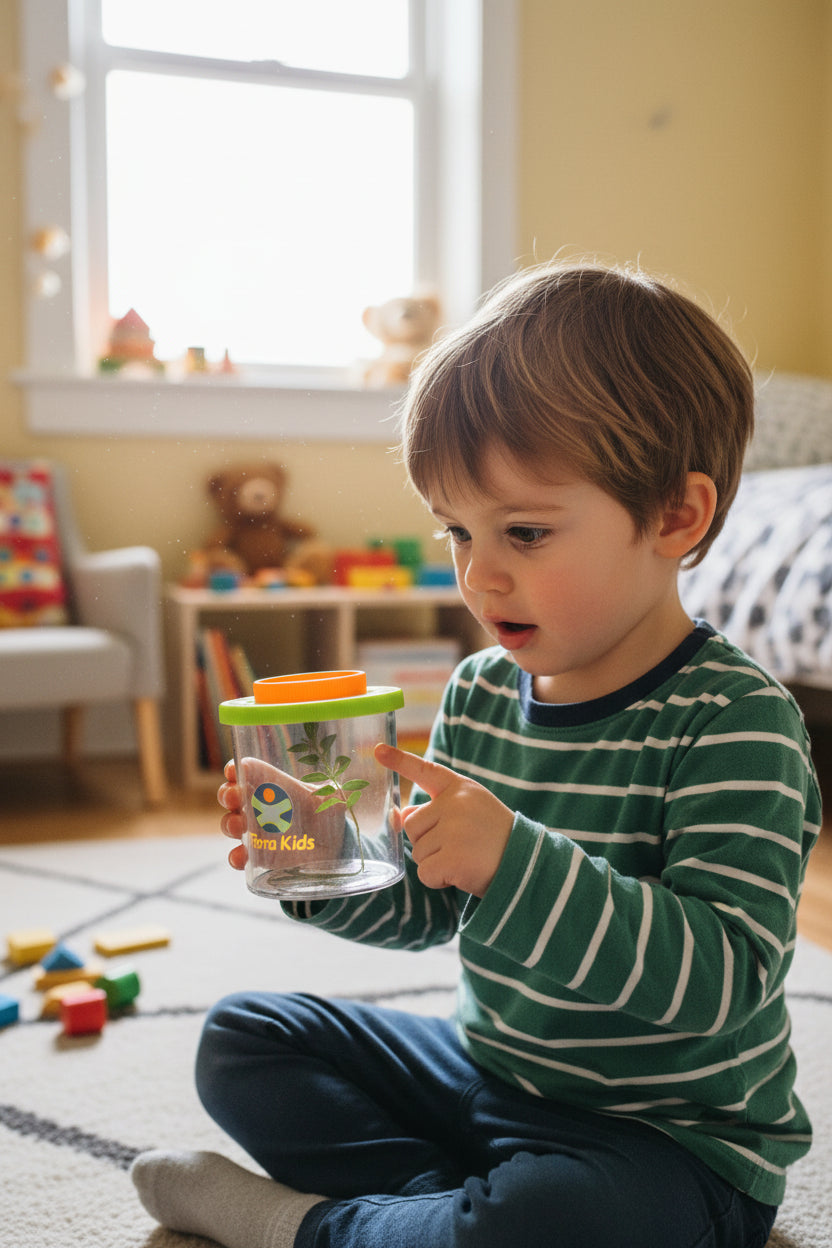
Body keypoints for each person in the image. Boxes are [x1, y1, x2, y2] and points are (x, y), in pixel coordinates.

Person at [131, 262, 821, 1248]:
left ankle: (315, 1229)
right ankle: (434, 1218)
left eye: (526, 531)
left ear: (675, 516)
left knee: (559, 1217)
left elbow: (719, 985)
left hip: (671, 1142)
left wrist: (517, 858)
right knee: (244, 1039)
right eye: (457, 529)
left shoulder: (733, 721)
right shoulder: (481, 691)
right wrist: (322, 863)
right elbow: (429, 911)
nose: (479, 573)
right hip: (491, 1077)